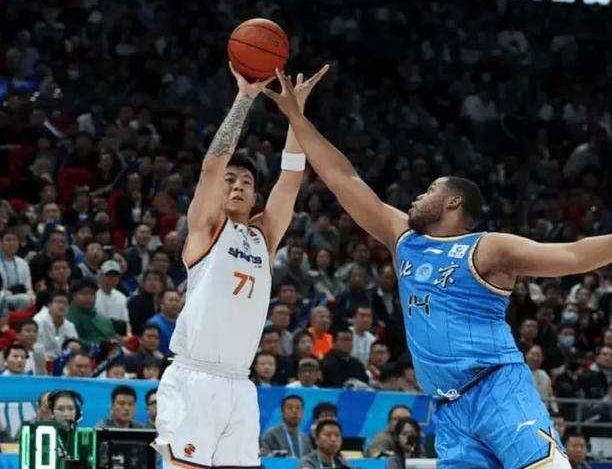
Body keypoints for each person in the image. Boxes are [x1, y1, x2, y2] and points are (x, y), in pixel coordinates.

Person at [265, 68, 594, 467]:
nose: (419, 196)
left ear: (454, 202)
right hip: (449, 411)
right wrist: (296, 116)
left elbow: (575, 255)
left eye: (431, 190)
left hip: (498, 389)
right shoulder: (403, 238)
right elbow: (341, 177)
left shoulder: (487, 248)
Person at [154, 64, 326, 469]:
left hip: (240, 383)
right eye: (230, 180)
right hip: (193, 377)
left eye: (246, 182)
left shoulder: (264, 236)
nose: (236, 185)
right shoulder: (206, 230)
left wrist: (295, 114)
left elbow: (290, 179)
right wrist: (245, 98)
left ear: (254, 196)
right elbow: (212, 166)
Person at [33, 290, 78, 359]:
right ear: (49, 305)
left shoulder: (70, 326)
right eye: (58, 302)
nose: (61, 306)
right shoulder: (38, 321)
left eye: (65, 303)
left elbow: (76, 348)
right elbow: (36, 348)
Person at [94, 260, 130, 336]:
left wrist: (128, 335)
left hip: (117, 335)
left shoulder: (121, 297)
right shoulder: (93, 296)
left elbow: (126, 322)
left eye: (115, 276)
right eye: (108, 275)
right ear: (101, 276)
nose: (112, 278)